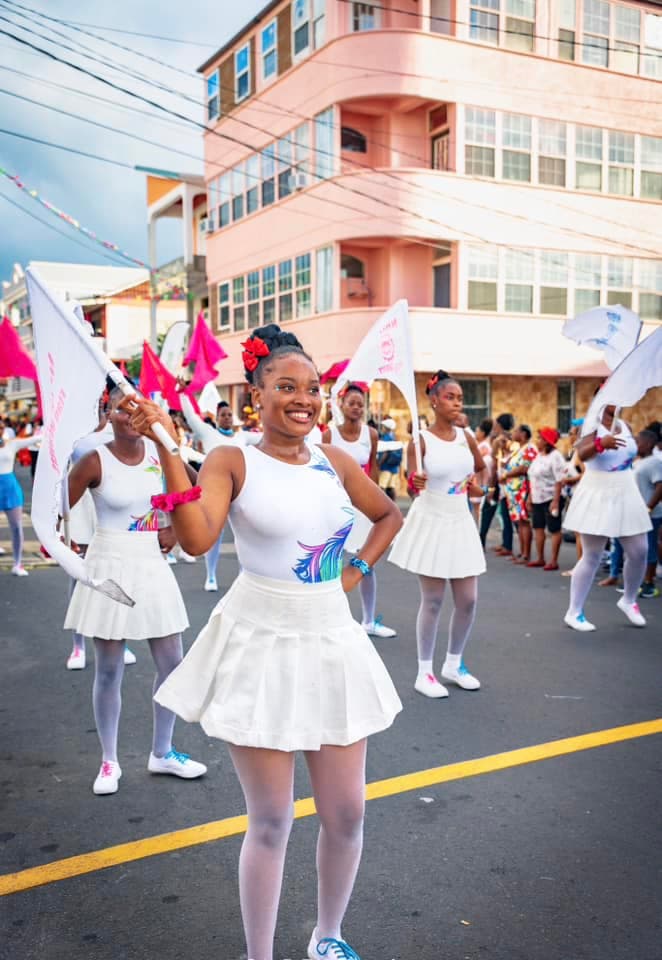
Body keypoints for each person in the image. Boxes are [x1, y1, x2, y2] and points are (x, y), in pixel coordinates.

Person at [127, 323, 402, 960]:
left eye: (312, 388)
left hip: (331, 638)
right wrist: (169, 445)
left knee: (346, 815)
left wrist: (354, 570)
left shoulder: (335, 461)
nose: (303, 399)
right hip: (260, 639)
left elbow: (389, 515)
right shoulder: (232, 459)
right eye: (285, 386)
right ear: (257, 394)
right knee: (272, 821)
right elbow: (196, 539)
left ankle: (327, 935)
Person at [65, 385, 207, 795]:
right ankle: (109, 761)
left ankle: (162, 751)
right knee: (109, 670)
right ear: (108, 415)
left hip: (151, 563)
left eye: (136, 409)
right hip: (108, 564)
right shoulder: (94, 460)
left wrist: (173, 529)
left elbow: (195, 494)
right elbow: (61, 509)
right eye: (120, 410)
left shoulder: (160, 454)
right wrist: (76, 543)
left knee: (172, 663)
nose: (129, 417)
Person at [389, 369, 486, 698]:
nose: (457, 402)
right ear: (434, 401)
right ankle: (424, 671)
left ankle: (454, 664)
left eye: (460, 397)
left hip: (460, 518)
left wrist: (478, 488)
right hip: (431, 517)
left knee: (469, 600)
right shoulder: (420, 439)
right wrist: (415, 483)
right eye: (450, 397)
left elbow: (481, 470)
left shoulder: (466, 436)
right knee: (433, 600)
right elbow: (412, 482)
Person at [562, 405, 651, 631]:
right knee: (592, 555)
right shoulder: (591, 425)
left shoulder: (624, 424)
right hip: (598, 489)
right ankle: (574, 612)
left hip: (626, 489)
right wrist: (602, 444)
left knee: (640, 551)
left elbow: (631, 452)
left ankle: (629, 600)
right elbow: (581, 454)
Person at [323, 384, 397, 639]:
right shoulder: (329, 435)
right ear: (341, 405)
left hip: (362, 505)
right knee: (332, 560)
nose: (356, 407)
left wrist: (374, 501)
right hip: (334, 504)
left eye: (360, 403)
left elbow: (373, 468)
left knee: (366, 562)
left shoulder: (371, 434)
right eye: (351, 402)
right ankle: (331, 618)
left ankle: (368, 620)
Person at [180, 393, 243, 592]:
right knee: (215, 534)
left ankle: (243, 576)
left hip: (240, 492)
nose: (227, 418)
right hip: (216, 492)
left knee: (244, 534)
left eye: (229, 414)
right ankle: (211, 576)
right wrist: (183, 394)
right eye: (223, 415)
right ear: (217, 418)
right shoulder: (208, 434)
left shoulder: (243, 437)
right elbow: (191, 418)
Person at [528, 427, 567, 571]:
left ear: (546, 441)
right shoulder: (539, 456)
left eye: (539, 438)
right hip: (537, 498)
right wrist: (530, 498)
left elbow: (559, 480)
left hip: (551, 497)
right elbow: (533, 478)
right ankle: (540, 558)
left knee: (554, 528)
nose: (537, 441)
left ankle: (554, 560)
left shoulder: (555, 456)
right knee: (538, 527)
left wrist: (555, 501)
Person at [0, 430, 39, 575]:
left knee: (16, 526)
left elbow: (35, 438)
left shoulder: (12, 444)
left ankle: (17, 564)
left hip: (10, 488)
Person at [479, 413, 515, 552]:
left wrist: (491, 486)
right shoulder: (512, 439)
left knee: (487, 510)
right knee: (506, 514)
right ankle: (507, 544)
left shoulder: (498, 441)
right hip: (508, 481)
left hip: (498, 481)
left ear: (499, 425)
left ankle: (481, 540)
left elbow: (495, 465)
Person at [501, 424, 537, 565]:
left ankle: (526, 554)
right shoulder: (519, 449)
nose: (513, 433)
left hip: (523, 489)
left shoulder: (529, 448)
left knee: (524, 521)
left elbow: (525, 467)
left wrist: (507, 475)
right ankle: (522, 553)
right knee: (519, 522)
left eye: (516, 431)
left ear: (523, 434)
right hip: (514, 491)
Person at [633, 429, 662, 598]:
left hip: (650, 514)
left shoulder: (654, 462)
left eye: (638, 443)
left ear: (649, 444)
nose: (636, 446)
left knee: (648, 548)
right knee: (639, 549)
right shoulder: (639, 461)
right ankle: (640, 580)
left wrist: (649, 507)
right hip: (638, 514)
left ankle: (649, 584)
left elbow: (660, 486)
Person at [471, 418, 493, 524]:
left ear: (483, 433)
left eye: (477, 431)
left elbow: (476, 461)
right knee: (476, 512)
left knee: (477, 512)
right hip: (478, 481)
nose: (476, 433)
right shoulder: (480, 445)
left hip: (480, 482)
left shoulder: (484, 447)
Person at [376, 417, 402, 501]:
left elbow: (386, 452)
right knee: (391, 488)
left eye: (383, 426)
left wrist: (379, 463)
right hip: (394, 468)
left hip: (386, 467)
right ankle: (393, 504)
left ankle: (382, 504)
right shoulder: (393, 436)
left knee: (382, 487)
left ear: (386, 428)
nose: (382, 428)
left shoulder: (386, 438)